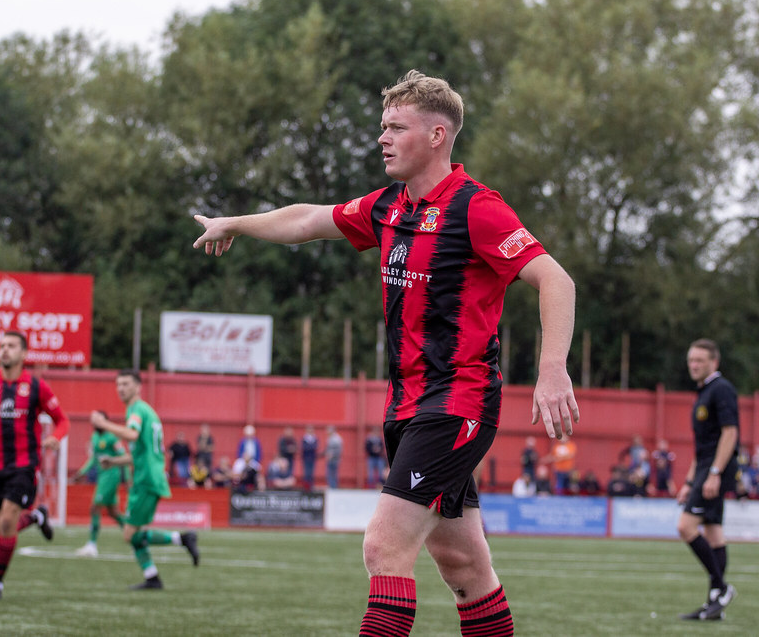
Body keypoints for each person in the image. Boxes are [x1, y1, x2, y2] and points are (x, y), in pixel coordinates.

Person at [193, 69, 579, 636]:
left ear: (437, 136)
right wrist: (237, 223)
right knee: (464, 564)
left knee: (383, 547)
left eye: (396, 127)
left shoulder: (477, 208)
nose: (382, 138)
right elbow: (307, 218)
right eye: (383, 126)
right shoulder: (390, 206)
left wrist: (552, 371)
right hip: (408, 407)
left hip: (459, 404)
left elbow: (555, 280)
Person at [0, 331, 69, 600]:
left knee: (6, 524)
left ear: (24, 354)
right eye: (1, 345)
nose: (4, 350)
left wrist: (56, 438)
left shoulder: (36, 386)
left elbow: (62, 420)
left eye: (11, 346)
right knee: (1, 529)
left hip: (24, 466)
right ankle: (37, 516)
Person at [91, 370, 199, 589]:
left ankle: (183, 539)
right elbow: (139, 452)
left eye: (126, 384)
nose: (121, 388)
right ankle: (152, 577)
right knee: (133, 534)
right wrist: (115, 462)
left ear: (138, 387)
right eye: (118, 384)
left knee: (129, 534)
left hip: (146, 479)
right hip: (147, 476)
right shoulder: (144, 411)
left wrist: (103, 424)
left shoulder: (137, 410)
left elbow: (132, 435)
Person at [676, 338, 739, 621]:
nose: (694, 365)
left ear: (714, 362)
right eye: (691, 360)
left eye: (700, 360)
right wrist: (690, 482)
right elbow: (702, 445)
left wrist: (714, 473)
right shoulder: (703, 392)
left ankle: (723, 588)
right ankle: (714, 601)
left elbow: (730, 433)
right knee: (713, 532)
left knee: (686, 526)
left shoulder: (721, 389)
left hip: (716, 469)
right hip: (705, 469)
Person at [72, 409, 128, 558]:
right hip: (102, 476)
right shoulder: (95, 437)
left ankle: (91, 545)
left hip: (111, 476)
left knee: (94, 508)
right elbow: (93, 459)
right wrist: (81, 472)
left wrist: (127, 479)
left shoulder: (112, 438)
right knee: (113, 513)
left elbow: (125, 457)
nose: (94, 421)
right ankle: (135, 537)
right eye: (93, 419)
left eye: (97, 418)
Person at [324, 425, 343, 489]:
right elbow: (327, 449)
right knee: (329, 474)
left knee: (334, 474)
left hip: (335, 460)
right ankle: (331, 486)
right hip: (329, 459)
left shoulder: (337, 439)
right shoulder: (329, 438)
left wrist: (332, 454)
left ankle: (334, 487)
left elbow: (339, 450)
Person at [301, 425, 319, 490]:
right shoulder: (304, 438)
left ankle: (311, 487)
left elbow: (315, 447)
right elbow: (304, 447)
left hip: (312, 458)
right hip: (306, 458)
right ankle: (306, 487)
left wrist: (309, 447)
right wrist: (310, 447)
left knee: (311, 473)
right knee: (306, 473)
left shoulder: (315, 438)